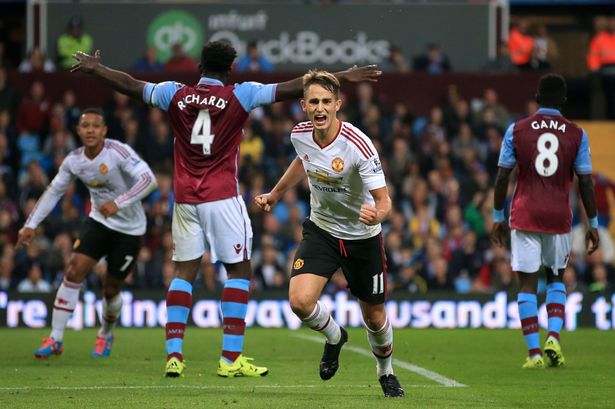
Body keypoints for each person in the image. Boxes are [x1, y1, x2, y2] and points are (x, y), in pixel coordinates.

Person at [70, 41, 380, 378]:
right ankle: (230, 359)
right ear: (230, 69)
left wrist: (97, 69)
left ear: (200, 68)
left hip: (185, 197)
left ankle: (174, 355)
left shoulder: (174, 93)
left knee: (183, 273)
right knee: (238, 271)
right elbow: (296, 87)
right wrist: (342, 77)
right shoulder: (241, 94)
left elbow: (131, 85)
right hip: (221, 196)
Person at [255, 70, 404, 397]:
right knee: (299, 301)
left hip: (362, 237)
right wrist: (276, 193)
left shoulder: (359, 146)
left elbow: (385, 201)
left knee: (376, 318)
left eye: (326, 101)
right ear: (303, 105)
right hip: (321, 230)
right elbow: (303, 161)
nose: (319, 108)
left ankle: (385, 371)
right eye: (313, 102)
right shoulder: (300, 134)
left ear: (338, 103)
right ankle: (336, 337)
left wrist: (375, 214)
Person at [17, 108, 157, 359]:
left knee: (111, 288)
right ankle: (56, 338)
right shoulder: (74, 160)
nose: (90, 130)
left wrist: (119, 202)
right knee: (73, 270)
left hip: (130, 229)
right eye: (85, 126)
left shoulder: (119, 152)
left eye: (95, 125)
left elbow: (149, 180)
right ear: (79, 131)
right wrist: (30, 224)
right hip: (99, 222)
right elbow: (53, 192)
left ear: (104, 130)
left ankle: (105, 333)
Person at [491, 74, 599, 369]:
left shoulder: (517, 130)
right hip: (559, 217)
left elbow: (503, 176)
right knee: (555, 278)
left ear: (537, 97)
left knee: (527, 284)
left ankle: (534, 353)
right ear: (564, 100)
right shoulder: (577, 134)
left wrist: (498, 216)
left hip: (525, 214)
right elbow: (586, 183)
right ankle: (554, 337)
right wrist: (594, 224)